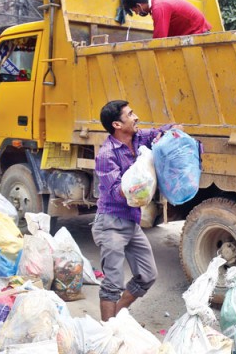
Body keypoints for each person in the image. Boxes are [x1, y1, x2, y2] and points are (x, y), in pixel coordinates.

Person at [93, 100, 175, 321]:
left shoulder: (138, 138)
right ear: (117, 125)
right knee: (112, 283)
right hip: (111, 223)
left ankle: (116, 320)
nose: (136, 117)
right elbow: (114, 191)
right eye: (130, 114)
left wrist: (171, 132)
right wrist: (138, 183)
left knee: (148, 275)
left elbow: (161, 132)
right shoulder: (106, 154)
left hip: (131, 222)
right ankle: (107, 338)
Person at [122, 0, 211, 39]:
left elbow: (159, 39)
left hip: (198, 35)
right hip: (195, 34)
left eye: (135, 11)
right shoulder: (158, 3)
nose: (137, 14)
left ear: (139, 5)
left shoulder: (159, 8)